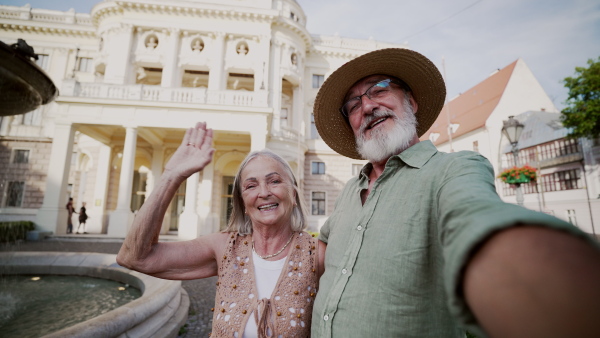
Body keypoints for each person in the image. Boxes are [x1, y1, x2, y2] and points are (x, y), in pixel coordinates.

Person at [310, 48, 600, 337]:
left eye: (380, 89)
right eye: (353, 105)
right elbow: (321, 252)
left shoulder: (455, 169)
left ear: (411, 101)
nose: (368, 107)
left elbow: (477, 221)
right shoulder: (350, 189)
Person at [117, 122, 326, 338]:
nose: (264, 192)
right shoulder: (226, 247)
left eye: (274, 181)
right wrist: (172, 175)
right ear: (243, 203)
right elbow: (134, 257)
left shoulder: (317, 254)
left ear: (293, 194)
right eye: (251, 186)